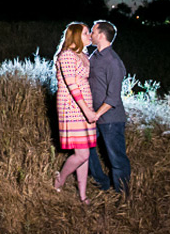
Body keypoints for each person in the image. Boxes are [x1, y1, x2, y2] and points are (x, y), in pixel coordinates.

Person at [52, 22, 99, 204]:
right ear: (76, 36)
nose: (90, 35)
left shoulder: (83, 55)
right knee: (82, 154)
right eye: (86, 33)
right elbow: (72, 85)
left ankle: (82, 194)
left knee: (84, 152)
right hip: (73, 107)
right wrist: (86, 110)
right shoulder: (66, 56)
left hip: (85, 107)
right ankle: (60, 179)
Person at [87, 20, 131, 194]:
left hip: (110, 118)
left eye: (93, 31)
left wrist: (96, 115)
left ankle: (123, 196)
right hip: (93, 115)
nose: (91, 34)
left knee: (116, 159)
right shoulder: (94, 56)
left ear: (101, 35)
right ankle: (102, 183)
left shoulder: (113, 61)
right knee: (86, 151)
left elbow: (113, 98)